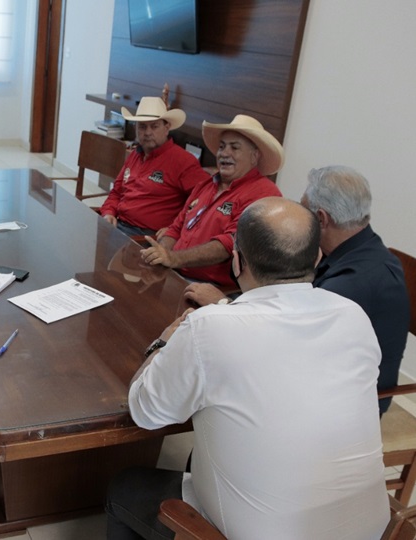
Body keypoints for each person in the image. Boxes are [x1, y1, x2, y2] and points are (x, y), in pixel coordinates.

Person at [107, 197, 389, 540]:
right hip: (370, 531)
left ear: (236, 262)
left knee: (126, 486)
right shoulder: (353, 316)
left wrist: (164, 341)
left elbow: (145, 412)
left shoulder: (210, 329)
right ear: (317, 258)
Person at [183, 166, 410, 415]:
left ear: (321, 219)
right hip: (317, 366)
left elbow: (282, 339)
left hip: (341, 401)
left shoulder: (353, 283)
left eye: (304, 210)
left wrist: (224, 304)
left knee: (220, 384)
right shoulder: (351, 250)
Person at [140, 114, 283, 287]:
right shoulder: (205, 185)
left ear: (255, 156)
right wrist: (160, 254)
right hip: (174, 274)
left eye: (234, 148)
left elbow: (228, 246)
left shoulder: (264, 194)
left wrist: (173, 258)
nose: (224, 153)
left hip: (211, 288)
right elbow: (176, 229)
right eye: (222, 147)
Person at [100, 97, 209, 237]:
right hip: (118, 224)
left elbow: (206, 200)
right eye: (142, 126)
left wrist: (176, 229)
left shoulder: (183, 161)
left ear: (167, 128)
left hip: (145, 236)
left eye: (154, 126)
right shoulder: (135, 154)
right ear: (136, 128)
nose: (147, 132)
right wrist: (108, 212)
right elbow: (116, 192)